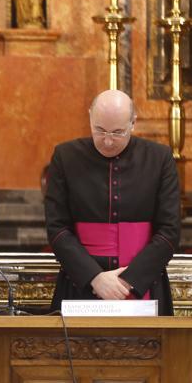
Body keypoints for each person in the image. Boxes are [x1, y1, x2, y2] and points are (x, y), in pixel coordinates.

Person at [45, 89, 180, 314]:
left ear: (133, 123)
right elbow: (57, 228)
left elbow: (169, 231)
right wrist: (95, 278)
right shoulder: (65, 157)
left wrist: (129, 281)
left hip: (143, 283)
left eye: (118, 132)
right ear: (90, 117)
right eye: (99, 130)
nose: (107, 141)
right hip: (81, 282)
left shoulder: (159, 158)